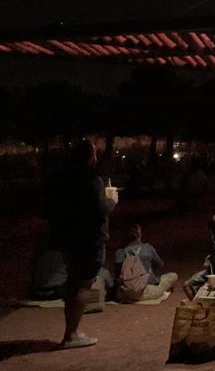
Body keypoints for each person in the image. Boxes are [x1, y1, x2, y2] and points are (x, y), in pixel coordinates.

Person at [46, 138, 116, 349]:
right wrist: (111, 202)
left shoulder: (61, 178)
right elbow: (99, 209)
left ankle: (71, 330)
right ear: (90, 156)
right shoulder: (92, 179)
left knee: (73, 282)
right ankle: (72, 333)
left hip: (68, 238)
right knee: (82, 284)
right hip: (89, 239)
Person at [114, 224, 178, 301]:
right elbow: (160, 264)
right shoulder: (148, 248)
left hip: (123, 294)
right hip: (145, 292)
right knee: (173, 275)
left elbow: (117, 275)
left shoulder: (120, 252)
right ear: (139, 235)